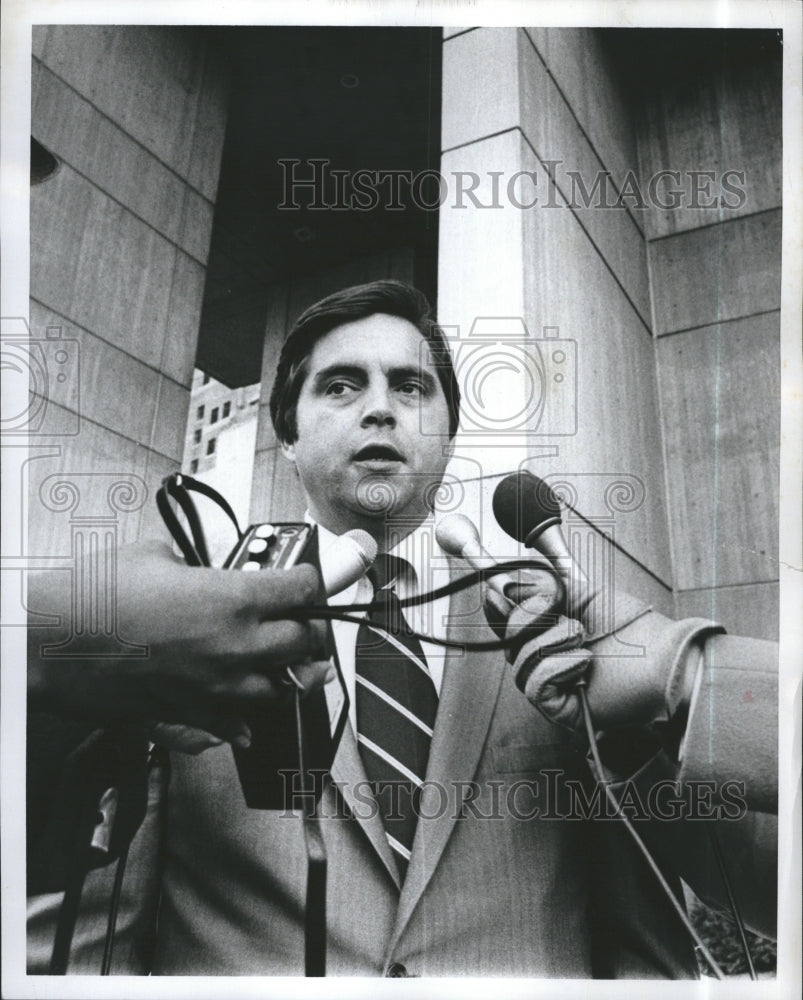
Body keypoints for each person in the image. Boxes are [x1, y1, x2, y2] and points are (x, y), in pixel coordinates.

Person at [27, 280, 778, 977]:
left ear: (448, 432)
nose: (378, 409)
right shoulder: (196, 628)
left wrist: (660, 725)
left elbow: (760, 894)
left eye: (410, 387)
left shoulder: (555, 628)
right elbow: (85, 936)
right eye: (341, 385)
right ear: (287, 434)